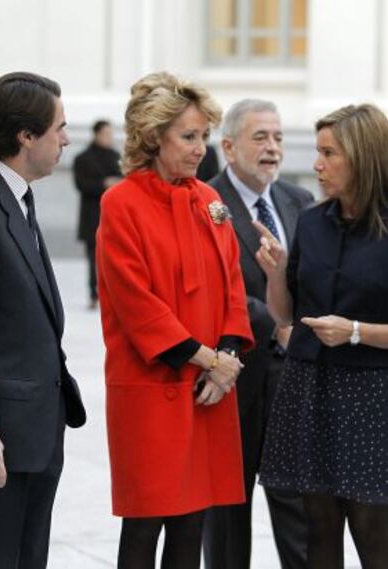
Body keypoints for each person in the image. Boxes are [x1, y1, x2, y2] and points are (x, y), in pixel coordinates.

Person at [96, 71, 254, 569]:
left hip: (208, 390)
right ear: (152, 137)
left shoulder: (210, 201)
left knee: (192, 527)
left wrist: (226, 357)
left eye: (204, 136)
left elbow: (233, 286)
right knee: (143, 527)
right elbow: (136, 302)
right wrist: (207, 359)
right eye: (189, 136)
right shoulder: (120, 203)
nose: (200, 149)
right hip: (152, 384)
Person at [255, 103, 388, 568]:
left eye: (329, 153)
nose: (316, 164)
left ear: (363, 157)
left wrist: (354, 332)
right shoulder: (312, 221)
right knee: (318, 530)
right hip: (310, 388)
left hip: (374, 396)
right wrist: (275, 274)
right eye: (317, 151)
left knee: (375, 534)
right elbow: (287, 313)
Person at [0, 71, 86, 569]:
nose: (65, 139)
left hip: (37, 431)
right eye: (59, 127)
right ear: (25, 135)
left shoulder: (17, 198)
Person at [203, 99, 313, 569]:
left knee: (300, 510)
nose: (272, 148)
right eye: (260, 138)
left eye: (279, 137)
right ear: (228, 146)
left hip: (296, 380)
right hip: (237, 376)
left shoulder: (298, 200)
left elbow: (311, 279)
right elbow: (214, 288)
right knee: (229, 513)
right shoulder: (205, 203)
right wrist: (280, 323)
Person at [73, 119, 121, 308]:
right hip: (91, 215)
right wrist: (103, 184)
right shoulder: (82, 158)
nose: (109, 138)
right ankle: (94, 294)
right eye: (106, 134)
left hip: (114, 216)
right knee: (93, 258)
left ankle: (112, 294)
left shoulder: (116, 156)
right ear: (97, 134)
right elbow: (81, 184)